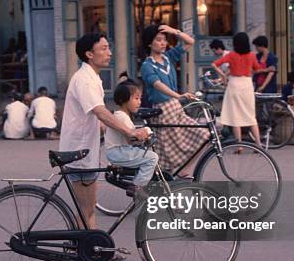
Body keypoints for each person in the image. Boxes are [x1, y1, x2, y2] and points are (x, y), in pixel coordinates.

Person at [59, 32, 149, 261]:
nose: (109, 52)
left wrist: (121, 131)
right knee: (84, 209)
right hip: (78, 151)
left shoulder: (93, 79)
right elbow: (100, 113)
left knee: (87, 209)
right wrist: (129, 131)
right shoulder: (85, 80)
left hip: (85, 149)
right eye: (104, 48)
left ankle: (93, 251)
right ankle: (82, 258)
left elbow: (98, 119)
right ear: (89, 54)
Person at [141, 24, 209, 175]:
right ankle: (177, 176)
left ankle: (183, 171)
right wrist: (178, 95)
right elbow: (157, 84)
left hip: (176, 108)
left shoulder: (168, 57)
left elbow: (190, 41)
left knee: (205, 136)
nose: (163, 43)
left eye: (164, 40)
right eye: (158, 40)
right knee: (169, 154)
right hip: (162, 112)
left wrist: (174, 31)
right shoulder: (147, 65)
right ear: (149, 44)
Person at [104, 81, 158, 197]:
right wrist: (145, 136)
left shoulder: (121, 115)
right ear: (124, 100)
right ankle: (137, 187)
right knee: (152, 158)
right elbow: (130, 140)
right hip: (118, 152)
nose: (139, 102)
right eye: (136, 98)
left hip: (118, 151)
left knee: (147, 155)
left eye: (140, 98)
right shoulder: (122, 117)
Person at [211, 32, 262, 148]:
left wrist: (223, 76)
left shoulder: (232, 55)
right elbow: (257, 69)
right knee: (251, 116)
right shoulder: (252, 55)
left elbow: (214, 64)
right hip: (247, 84)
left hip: (234, 84)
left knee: (235, 116)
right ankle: (259, 144)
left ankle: (239, 146)